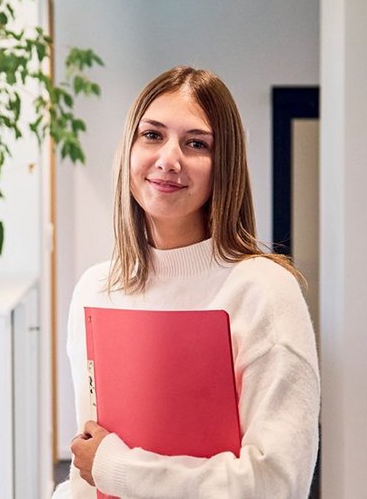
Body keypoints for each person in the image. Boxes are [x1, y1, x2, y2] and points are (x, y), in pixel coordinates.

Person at [54, 66, 320, 498]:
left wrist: (118, 468)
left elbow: (275, 484)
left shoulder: (262, 291)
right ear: (129, 149)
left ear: (224, 166)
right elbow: (87, 465)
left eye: (196, 143)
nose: (168, 159)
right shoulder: (96, 289)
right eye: (152, 135)